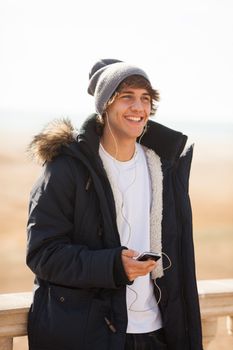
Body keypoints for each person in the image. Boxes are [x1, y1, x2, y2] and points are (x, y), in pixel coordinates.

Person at [26, 58, 203, 350]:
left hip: (157, 331)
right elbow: (43, 254)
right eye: (126, 97)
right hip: (91, 334)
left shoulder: (163, 168)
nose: (139, 108)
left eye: (145, 99)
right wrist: (112, 266)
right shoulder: (67, 169)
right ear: (105, 105)